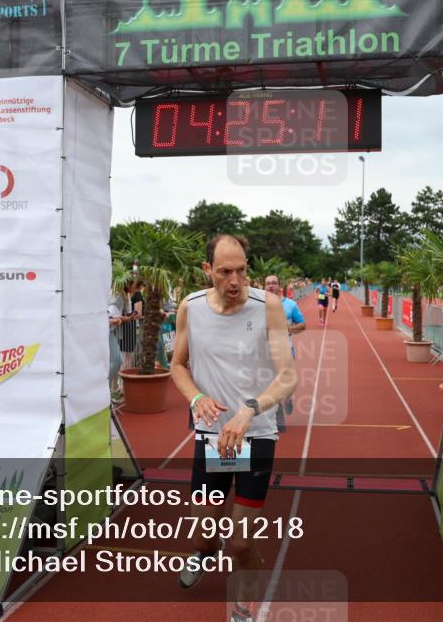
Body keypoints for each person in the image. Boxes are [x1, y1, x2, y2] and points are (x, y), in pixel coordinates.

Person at [170, 234, 296, 622]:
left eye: (241, 270)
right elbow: (178, 365)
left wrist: (250, 410)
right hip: (212, 436)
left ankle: (242, 609)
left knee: (242, 543)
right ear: (207, 270)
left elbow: (288, 376)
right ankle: (206, 551)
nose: (235, 280)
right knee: (203, 527)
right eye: (225, 271)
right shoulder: (190, 307)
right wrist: (195, 398)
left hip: (255, 435)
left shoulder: (269, 306)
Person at [264, 275, 305, 429]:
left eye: (274, 283)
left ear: (279, 286)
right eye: (268, 284)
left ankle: (287, 398)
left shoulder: (290, 305)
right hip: (265, 352)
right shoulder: (259, 306)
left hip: (286, 351)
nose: (270, 286)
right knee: (271, 383)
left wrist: (288, 329)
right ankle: (277, 417)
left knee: (286, 383)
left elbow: (302, 325)